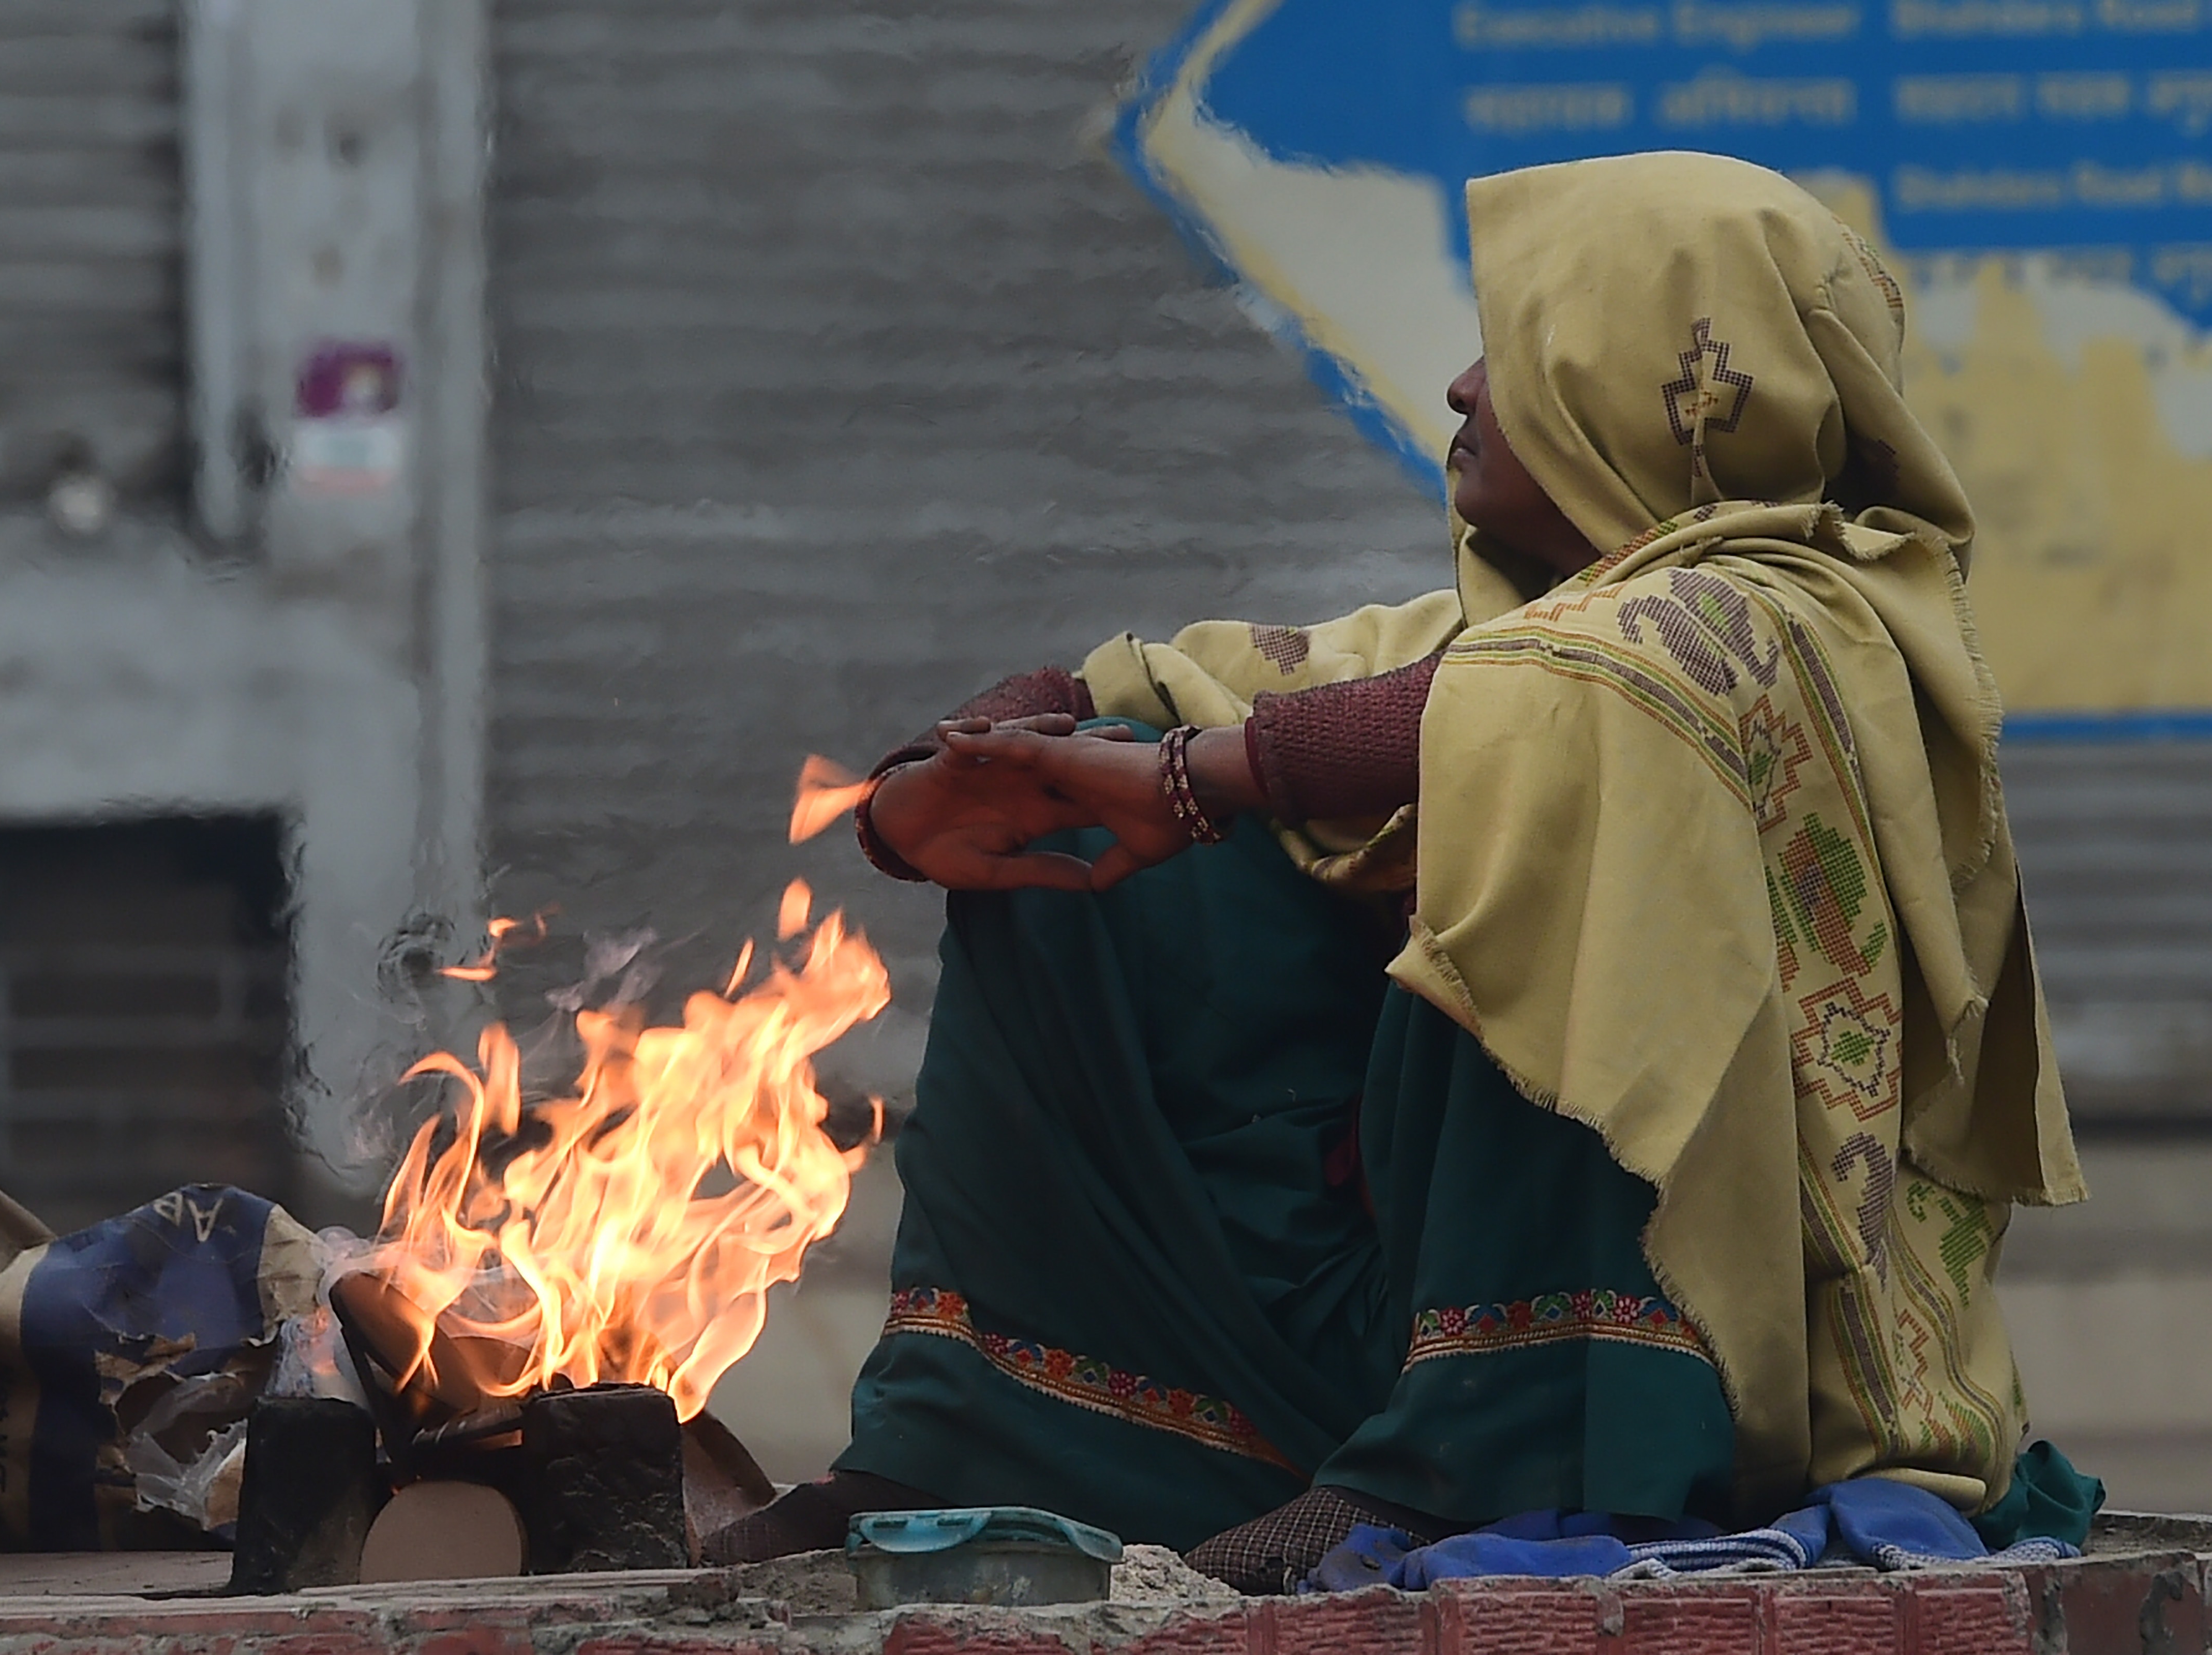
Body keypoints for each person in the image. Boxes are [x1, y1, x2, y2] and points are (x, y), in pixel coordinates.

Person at [703, 151, 2094, 1590]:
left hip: (1732, 1361)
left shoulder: (1807, 622)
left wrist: (1194, 781)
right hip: (1399, 1322)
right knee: (1086, 859)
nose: (1462, 390)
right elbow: (1198, 684)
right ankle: (980, 1435)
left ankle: (1458, 1477)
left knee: (1523, 819)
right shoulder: (1530, 633)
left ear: (1642, 372)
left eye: (1517, 343)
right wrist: (967, 773)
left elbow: (1558, 703)